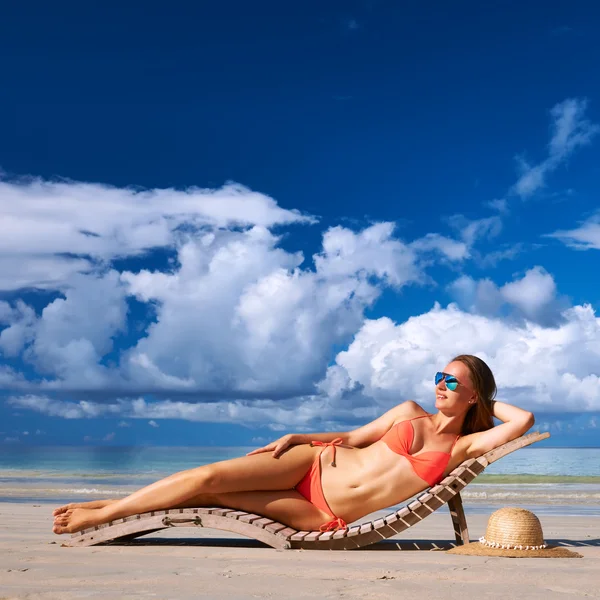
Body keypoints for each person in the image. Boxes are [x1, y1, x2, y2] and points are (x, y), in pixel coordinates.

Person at [52, 354, 534, 535]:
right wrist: (302, 437)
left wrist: (485, 401)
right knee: (208, 477)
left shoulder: (462, 448)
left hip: (324, 513)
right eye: (439, 376)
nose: (440, 385)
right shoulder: (408, 412)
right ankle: (105, 513)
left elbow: (524, 419)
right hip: (315, 464)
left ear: (473, 393)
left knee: (214, 498)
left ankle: (112, 505)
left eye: (452, 381)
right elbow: (351, 439)